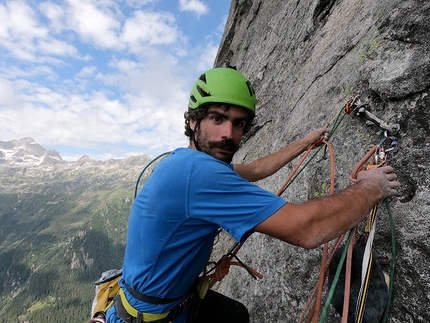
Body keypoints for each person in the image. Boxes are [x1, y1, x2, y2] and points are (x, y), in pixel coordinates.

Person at [106, 67, 400, 323]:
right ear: (193, 121)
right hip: (152, 317)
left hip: (158, 304)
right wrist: (371, 187)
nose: (229, 133)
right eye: (217, 118)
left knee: (235, 315)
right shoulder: (198, 174)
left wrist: (303, 143)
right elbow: (307, 229)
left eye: (239, 123)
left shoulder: (190, 163)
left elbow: (257, 169)